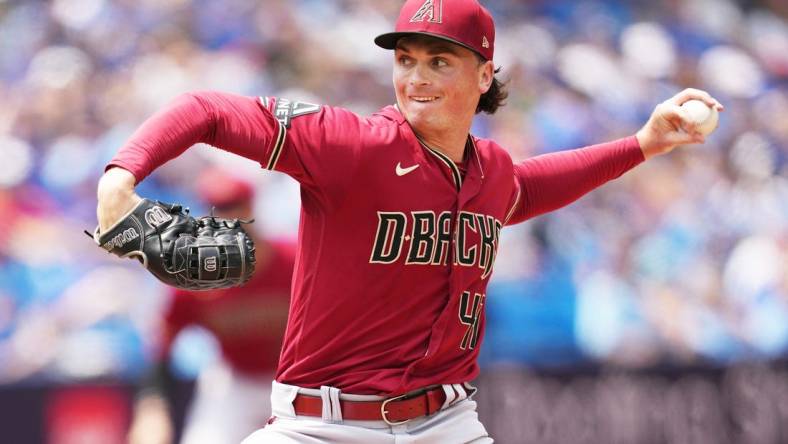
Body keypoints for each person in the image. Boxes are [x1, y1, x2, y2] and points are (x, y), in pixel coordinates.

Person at [95, 0, 723, 442]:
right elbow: (205, 108)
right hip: (321, 427)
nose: (415, 78)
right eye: (406, 59)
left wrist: (642, 143)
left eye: (438, 62)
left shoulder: (492, 173)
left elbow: (531, 186)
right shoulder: (350, 145)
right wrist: (122, 174)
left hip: (447, 425)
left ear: (484, 76)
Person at [126, 168, 295, 444]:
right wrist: (151, 407)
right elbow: (162, 345)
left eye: (234, 206)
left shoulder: (295, 261)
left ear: (252, 207)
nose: (228, 218)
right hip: (235, 381)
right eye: (218, 210)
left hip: (297, 382)